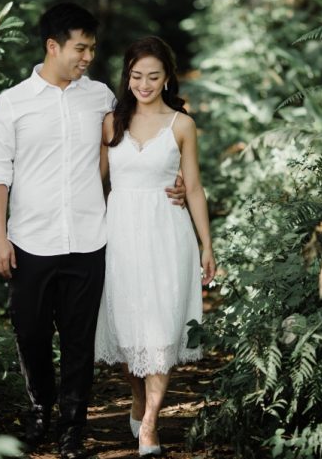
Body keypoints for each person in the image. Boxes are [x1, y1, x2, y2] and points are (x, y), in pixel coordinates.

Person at [0, 4, 184, 459]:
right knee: (30, 333)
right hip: (30, 241)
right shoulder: (13, 102)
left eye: (92, 47)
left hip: (91, 240)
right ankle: (40, 410)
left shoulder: (101, 98)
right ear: (53, 47)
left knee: (78, 342)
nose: (88, 56)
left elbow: (139, 140)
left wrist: (177, 176)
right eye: (81, 47)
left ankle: (73, 430)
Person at [94, 36, 216, 457]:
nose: (144, 84)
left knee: (161, 328)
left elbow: (195, 188)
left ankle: (150, 425)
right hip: (121, 234)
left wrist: (206, 245)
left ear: (167, 79)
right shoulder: (112, 123)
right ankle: (137, 395)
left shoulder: (181, 124)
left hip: (167, 232)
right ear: (127, 77)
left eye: (154, 76)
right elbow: (95, 183)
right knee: (130, 331)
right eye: (137, 76)